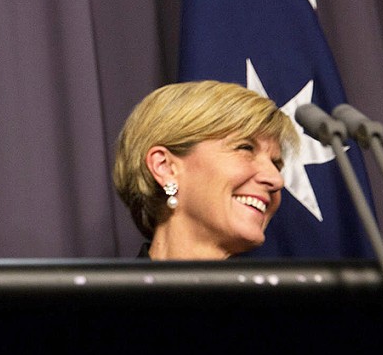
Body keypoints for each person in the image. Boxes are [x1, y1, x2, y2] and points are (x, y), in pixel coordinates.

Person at [113, 80, 298, 260]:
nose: (276, 180)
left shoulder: (298, 291)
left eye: (276, 164)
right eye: (245, 148)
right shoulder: (102, 291)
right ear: (165, 168)